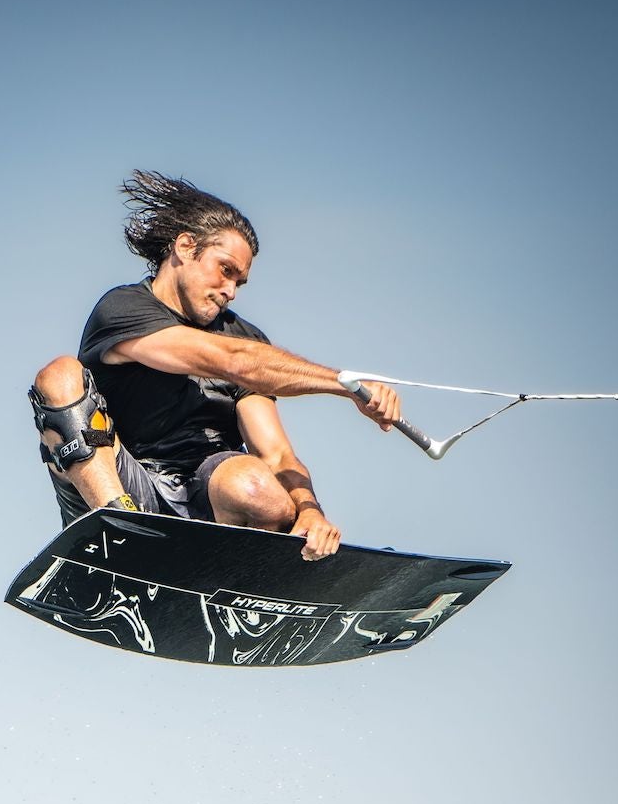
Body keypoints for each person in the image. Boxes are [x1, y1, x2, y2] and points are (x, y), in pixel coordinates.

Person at [30, 170, 404, 561]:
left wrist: (310, 511)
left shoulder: (245, 336)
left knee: (259, 488)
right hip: (121, 482)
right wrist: (345, 384)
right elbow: (231, 360)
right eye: (226, 270)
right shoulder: (122, 309)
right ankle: (126, 532)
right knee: (59, 375)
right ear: (186, 247)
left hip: (206, 503)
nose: (230, 290)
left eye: (240, 283)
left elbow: (276, 454)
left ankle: (231, 573)